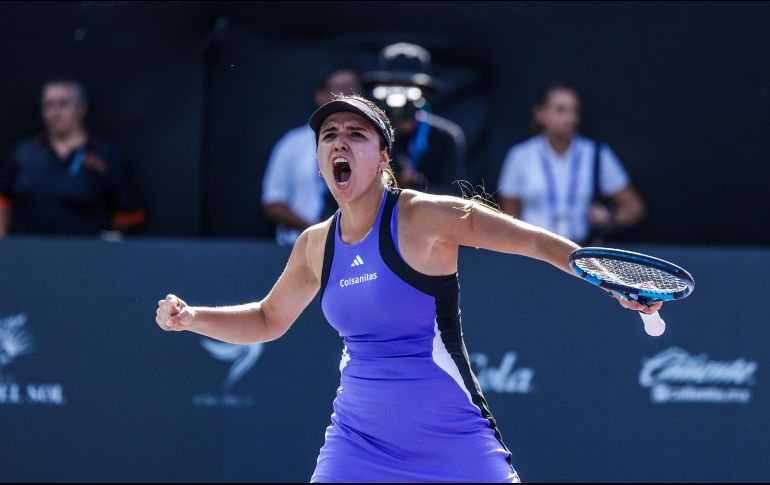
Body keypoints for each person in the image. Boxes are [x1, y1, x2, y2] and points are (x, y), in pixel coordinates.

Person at [155, 95, 661, 482]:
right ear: (318, 159)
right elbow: (268, 320)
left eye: (356, 134)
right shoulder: (315, 244)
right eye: (329, 135)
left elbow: (534, 243)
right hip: (356, 445)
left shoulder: (423, 216)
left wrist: (605, 276)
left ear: (381, 158)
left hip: (455, 442)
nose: (339, 142)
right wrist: (193, 317)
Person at [497, 82, 645, 246]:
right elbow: (509, 217)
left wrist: (608, 218)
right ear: (540, 114)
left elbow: (634, 208)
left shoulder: (595, 154)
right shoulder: (520, 156)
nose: (570, 118)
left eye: (574, 111)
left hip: (581, 252)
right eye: (561, 110)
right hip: (534, 253)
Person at [0, 79, 144, 238]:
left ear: (81, 109)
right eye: (49, 105)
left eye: (63, 104)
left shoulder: (104, 154)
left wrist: (107, 243)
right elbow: (4, 199)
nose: (55, 112)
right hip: (29, 252)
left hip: (85, 254)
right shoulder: (25, 152)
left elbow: (130, 211)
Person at [261, 64, 361, 246]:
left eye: (353, 89)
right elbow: (273, 202)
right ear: (320, 95)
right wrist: (316, 230)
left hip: (356, 249)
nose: (348, 96)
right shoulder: (292, 143)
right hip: (298, 247)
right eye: (340, 89)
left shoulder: (368, 143)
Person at [363, 42, 466, 196]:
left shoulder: (444, 137)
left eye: (407, 86)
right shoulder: (368, 133)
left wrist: (415, 183)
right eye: (391, 85)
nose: (399, 95)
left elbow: (454, 199)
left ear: (424, 91)